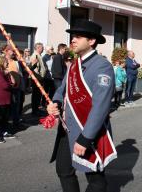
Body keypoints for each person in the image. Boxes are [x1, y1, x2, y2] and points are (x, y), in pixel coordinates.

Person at [47, 19, 116, 192]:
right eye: (72, 36)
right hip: (67, 129)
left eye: (78, 36)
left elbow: (101, 106)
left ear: (91, 41)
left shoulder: (102, 66)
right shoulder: (74, 65)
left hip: (88, 131)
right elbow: (62, 90)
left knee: (95, 177)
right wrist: (55, 102)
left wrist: (86, 138)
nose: (73, 40)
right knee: (64, 170)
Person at [0, 56, 15, 143]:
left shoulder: (2, 72)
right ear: (1, 62)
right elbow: (5, 85)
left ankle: (2, 132)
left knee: (4, 116)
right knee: (0, 117)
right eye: (6, 62)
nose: (7, 64)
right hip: (0, 97)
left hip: (4, 97)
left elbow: (12, 82)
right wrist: (11, 85)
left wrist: (8, 75)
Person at [30, 42, 46, 116]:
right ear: (38, 48)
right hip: (37, 79)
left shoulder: (39, 55)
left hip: (40, 78)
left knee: (38, 95)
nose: (43, 49)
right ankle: (35, 110)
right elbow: (34, 68)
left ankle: (36, 109)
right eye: (42, 47)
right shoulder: (35, 55)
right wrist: (40, 77)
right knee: (36, 95)